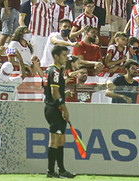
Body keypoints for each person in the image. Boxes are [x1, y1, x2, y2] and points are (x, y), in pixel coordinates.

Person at [43, 44, 76, 179]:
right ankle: (51, 171)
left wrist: (63, 94)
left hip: (53, 106)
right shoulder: (55, 71)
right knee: (54, 140)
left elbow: (53, 91)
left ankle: (61, 170)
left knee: (61, 139)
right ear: (56, 56)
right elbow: (54, 92)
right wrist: (64, 108)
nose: (66, 58)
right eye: (63, 55)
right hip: (55, 108)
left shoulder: (49, 70)